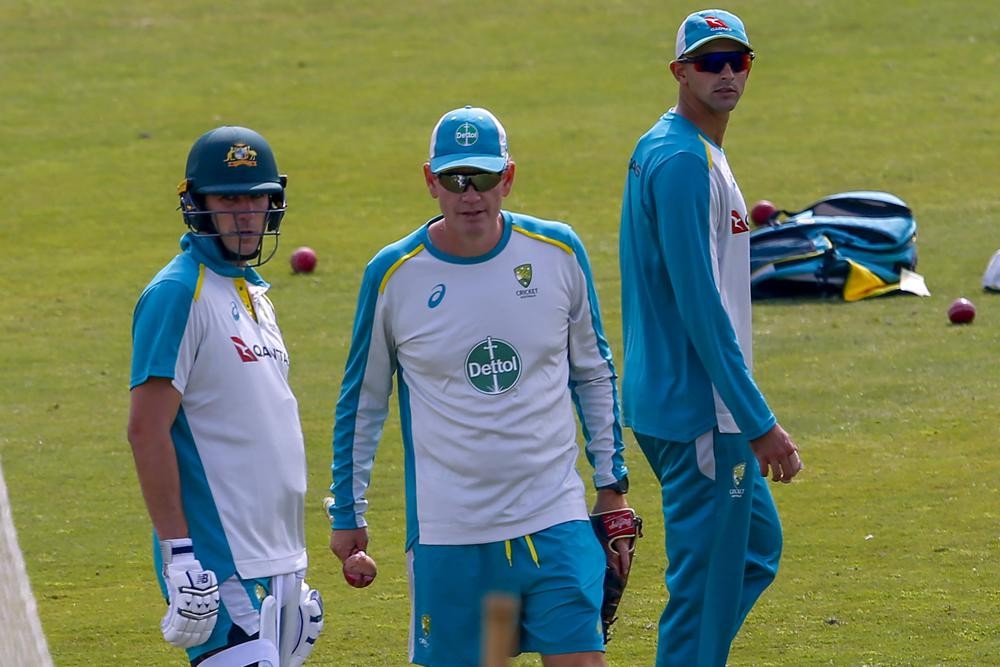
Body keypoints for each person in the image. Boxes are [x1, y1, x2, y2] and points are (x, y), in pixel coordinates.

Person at [327, 106, 632, 667]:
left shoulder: (558, 253)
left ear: (508, 178)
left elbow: (593, 371)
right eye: (454, 179)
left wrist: (612, 485)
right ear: (430, 182)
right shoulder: (394, 275)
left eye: (485, 178)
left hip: (554, 523)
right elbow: (362, 401)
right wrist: (348, 511)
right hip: (452, 536)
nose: (471, 194)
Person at [618, 10, 805, 667]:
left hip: (679, 399)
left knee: (755, 548)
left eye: (738, 61)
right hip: (700, 410)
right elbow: (701, 306)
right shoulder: (680, 163)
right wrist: (758, 422)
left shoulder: (683, 149)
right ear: (680, 72)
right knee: (701, 595)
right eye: (709, 62)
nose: (725, 73)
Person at [127, 126, 324, 666]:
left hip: (274, 556)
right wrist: (179, 556)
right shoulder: (176, 293)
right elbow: (147, 430)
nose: (244, 213)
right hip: (218, 557)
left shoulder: (253, 293)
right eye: (229, 198)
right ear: (197, 205)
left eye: (256, 198)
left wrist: (293, 568)